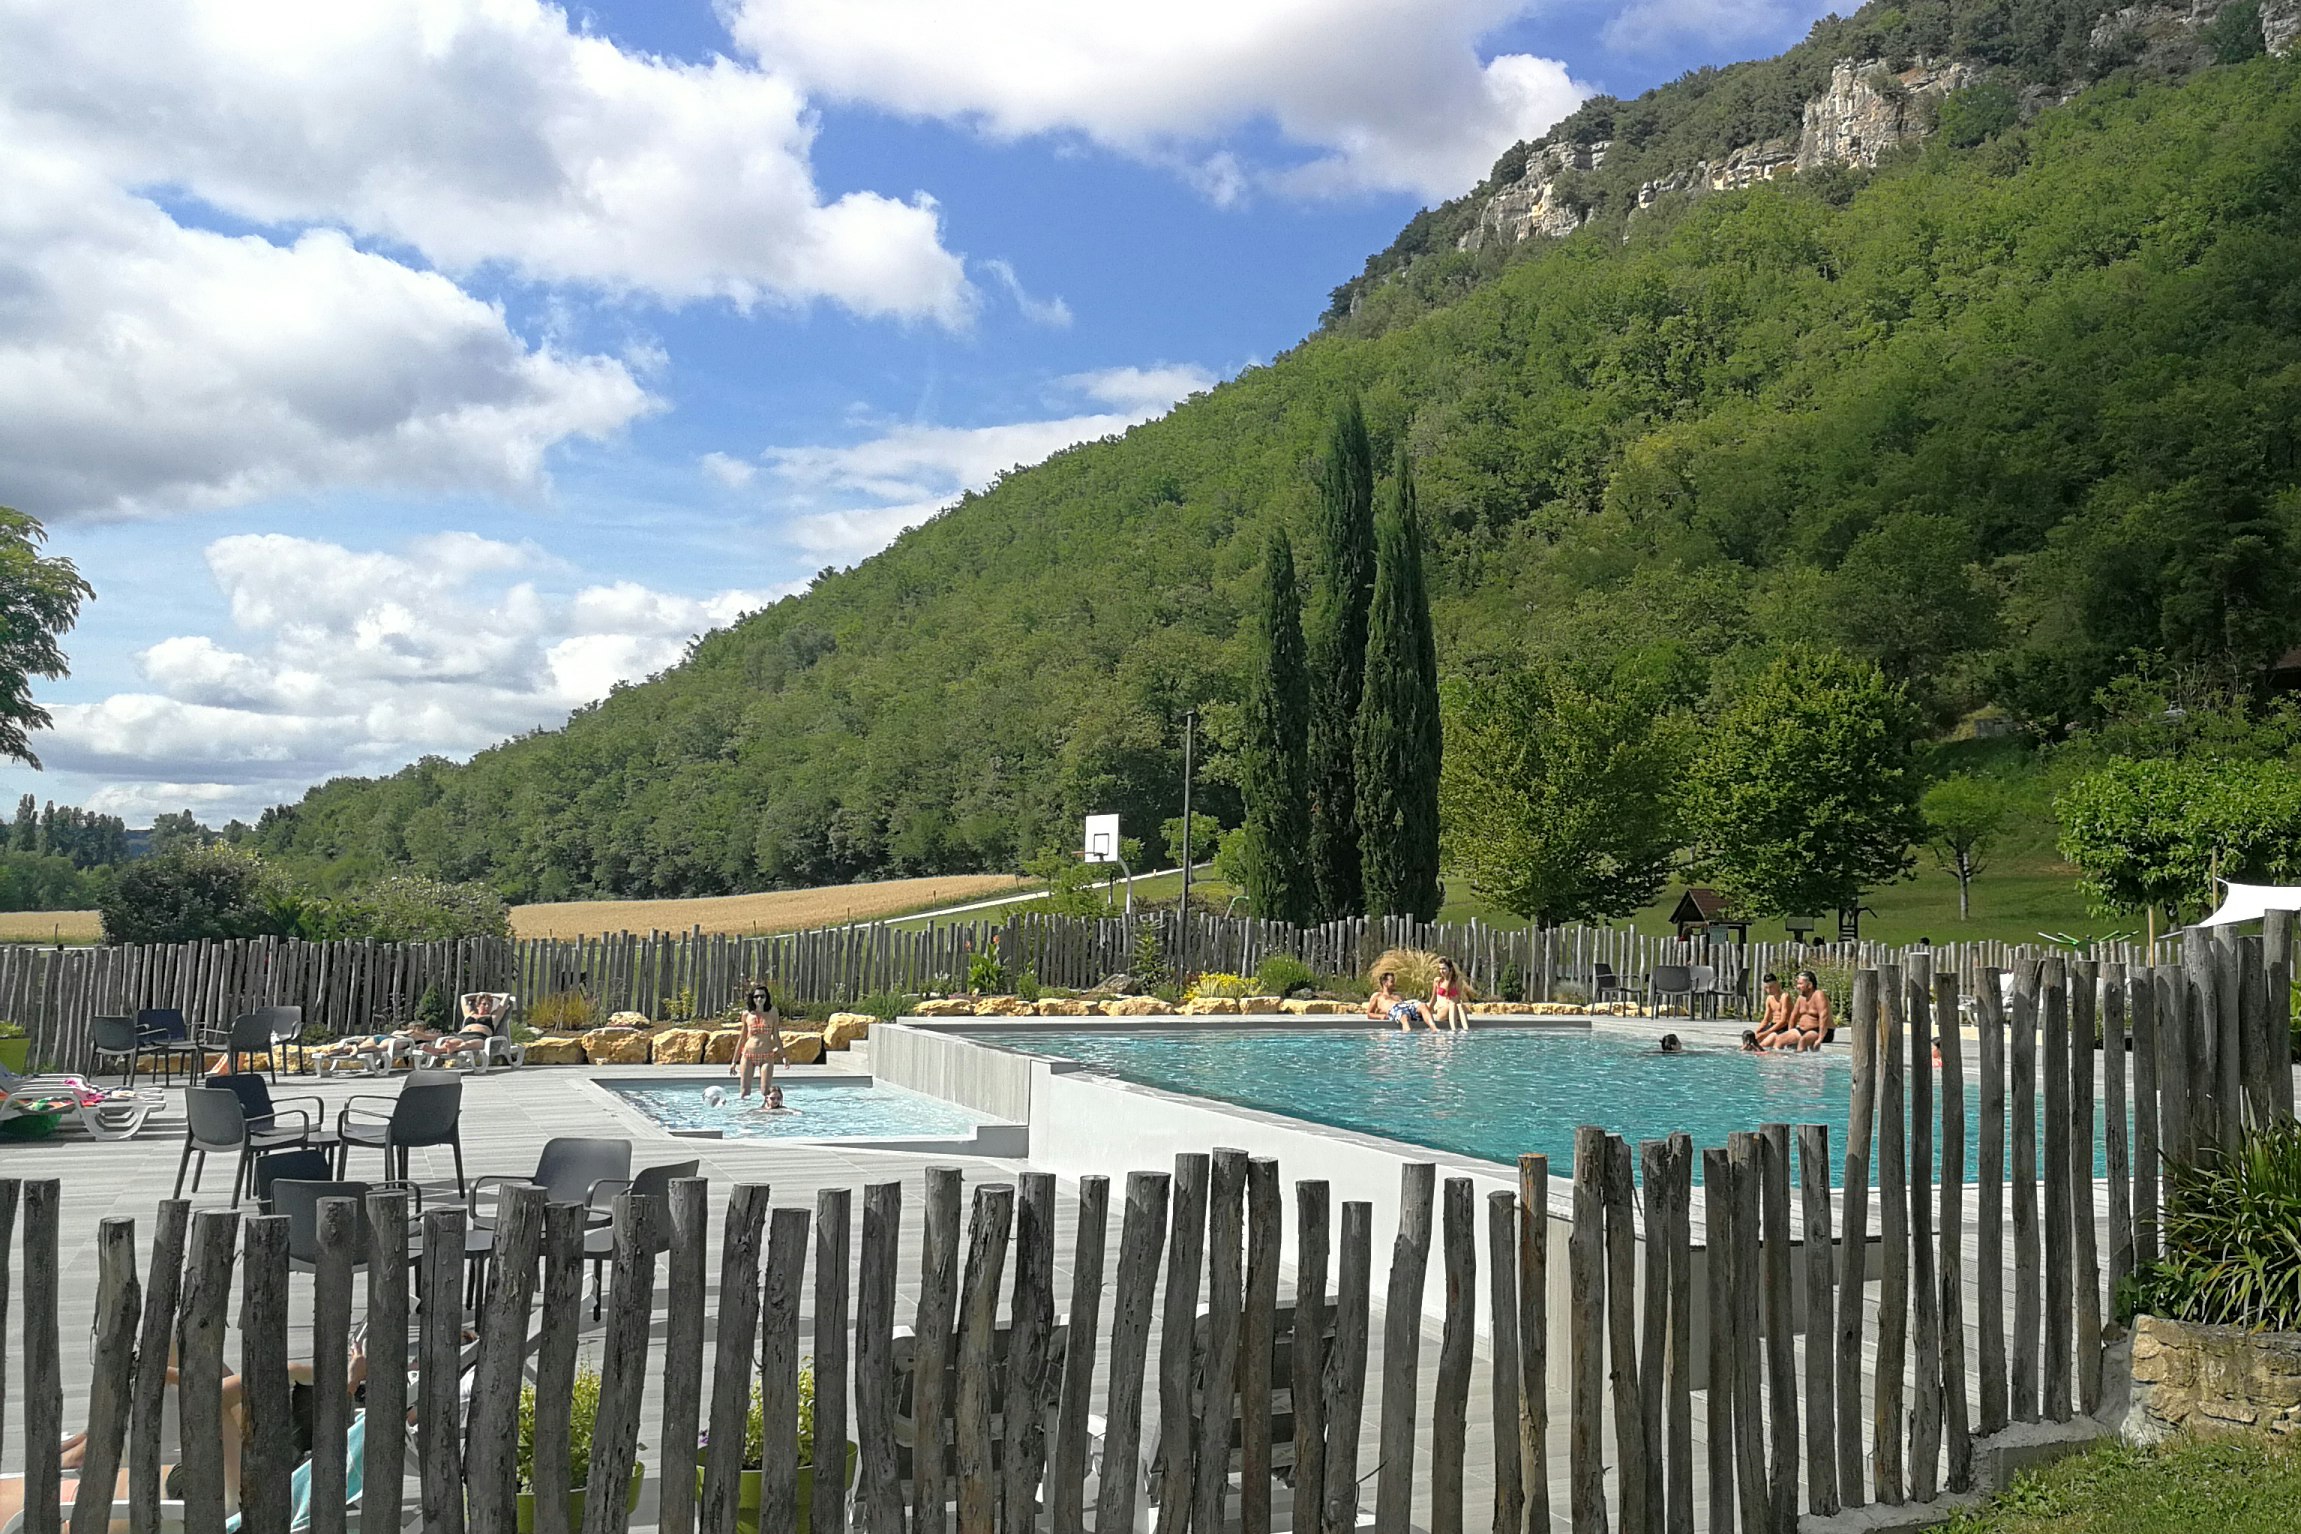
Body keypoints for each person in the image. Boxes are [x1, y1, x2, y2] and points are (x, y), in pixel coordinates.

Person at [0, 1341, 366, 1525]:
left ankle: (87, 1446)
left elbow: (211, 1399)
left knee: (31, 1507)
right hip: (207, 1475)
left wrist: (291, 1369)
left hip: (202, 1491)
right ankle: (90, 1441)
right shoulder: (322, 1440)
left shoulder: (276, 1455)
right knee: (182, 1346)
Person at [735, 983, 787, 1102]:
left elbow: (776, 1036)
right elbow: (742, 1038)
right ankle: (745, 1115)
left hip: (766, 1055)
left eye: (762, 996)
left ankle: (765, 1114)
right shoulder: (746, 1014)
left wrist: (784, 1055)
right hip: (748, 1055)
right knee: (745, 1092)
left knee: (765, 1091)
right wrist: (734, 1061)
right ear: (752, 998)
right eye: (756, 996)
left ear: (766, 997)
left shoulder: (773, 1012)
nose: (759, 999)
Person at [1364, 972, 1432, 1031]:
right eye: (1392, 981)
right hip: (1399, 1012)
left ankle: (1435, 1030)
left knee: (1423, 1006)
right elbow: (1369, 1014)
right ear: (1385, 983)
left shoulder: (1398, 996)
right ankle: (1409, 1036)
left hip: (1406, 1010)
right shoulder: (1378, 996)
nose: (1394, 984)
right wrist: (1381, 1016)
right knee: (1404, 1015)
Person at [1784, 969, 1833, 1051]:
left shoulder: (1818, 995)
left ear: (1809, 985)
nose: (1797, 987)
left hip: (1821, 1031)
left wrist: (1820, 1038)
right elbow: (1793, 1016)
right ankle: (1782, 1062)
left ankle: (1802, 1063)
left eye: (1800, 984)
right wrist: (1790, 1033)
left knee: (1803, 1041)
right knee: (1779, 1039)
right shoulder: (1801, 998)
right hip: (1803, 1030)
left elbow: (1823, 1016)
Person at [1426, 957, 1473, 1031]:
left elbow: (1457, 999)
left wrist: (1451, 979)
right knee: (1452, 1005)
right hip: (1442, 1011)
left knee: (1459, 1005)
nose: (1441, 971)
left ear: (1450, 969)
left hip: (1453, 1009)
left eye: (1444, 968)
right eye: (1440, 969)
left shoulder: (1457, 981)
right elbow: (1433, 999)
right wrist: (1427, 1011)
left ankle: (1466, 1031)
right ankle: (1454, 1030)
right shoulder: (1437, 981)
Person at [1753, 973, 1794, 1048]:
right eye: (1766, 988)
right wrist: (1757, 1032)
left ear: (1777, 984)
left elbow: (1784, 1021)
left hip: (1784, 1027)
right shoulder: (1769, 998)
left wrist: (1765, 1033)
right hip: (1773, 1026)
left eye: (1771, 987)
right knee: (1751, 1041)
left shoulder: (1784, 997)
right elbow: (1766, 1019)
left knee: (1762, 1045)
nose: (1769, 990)